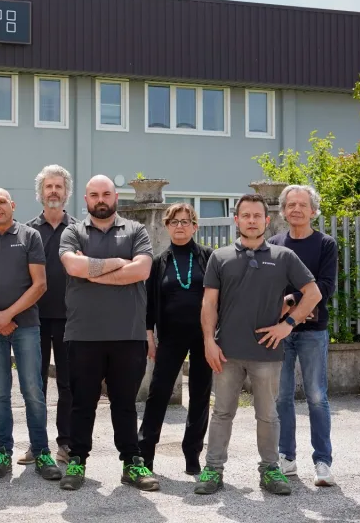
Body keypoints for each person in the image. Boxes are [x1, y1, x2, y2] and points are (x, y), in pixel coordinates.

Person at [195, 193, 322, 496]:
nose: (251, 221)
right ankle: (213, 469)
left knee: (268, 415)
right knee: (222, 413)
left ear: (267, 220)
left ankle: (269, 470)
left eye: (257, 216)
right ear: (236, 219)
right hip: (226, 352)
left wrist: (287, 325)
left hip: (267, 354)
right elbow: (208, 303)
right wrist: (208, 343)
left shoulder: (283, 257)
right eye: (245, 216)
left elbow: (313, 293)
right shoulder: (220, 257)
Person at [58, 175, 159, 492]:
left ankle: (132, 462)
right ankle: (77, 461)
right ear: (85, 199)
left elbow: (141, 270)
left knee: (125, 403)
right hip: (82, 333)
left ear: (116, 196)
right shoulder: (73, 231)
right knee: (81, 402)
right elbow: (73, 268)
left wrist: (93, 273)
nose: (100, 199)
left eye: (106, 194)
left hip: (127, 334)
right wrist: (117, 264)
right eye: (93, 195)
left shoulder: (136, 230)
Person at [0, 188, 63, 483]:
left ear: (12, 205)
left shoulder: (29, 236)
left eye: (1, 202)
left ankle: (42, 451)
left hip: (26, 326)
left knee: (33, 391)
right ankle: (2, 452)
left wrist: (7, 315)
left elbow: (40, 284)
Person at [137, 203, 213, 475]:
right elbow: (147, 303)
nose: (180, 226)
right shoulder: (159, 262)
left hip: (204, 336)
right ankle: (144, 455)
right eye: (174, 221)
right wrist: (149, 334)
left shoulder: (209, 257)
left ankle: (192, 454)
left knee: (200, 395)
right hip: (169, 336)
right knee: (158, 394)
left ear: (195, 226)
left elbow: (220, 297)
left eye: (185, 221)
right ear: (166, 226)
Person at [270, 185, 338, 487]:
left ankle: (322, 462)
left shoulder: (325, 244)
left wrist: (288, 300)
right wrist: (299, 300)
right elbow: (269, 288)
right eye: (291, 204)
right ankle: (287, 457)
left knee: (316, 396)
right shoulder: (273, 243)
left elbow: (324, 288)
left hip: (313, 332)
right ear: (283, 210)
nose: (296, 209)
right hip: (279, 333)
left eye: (302, 204)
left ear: (313, 210)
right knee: (281, 396)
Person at [24, 164, 77, 465]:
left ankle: (66, 443)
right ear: (40, 193)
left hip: (72, 320)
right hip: (35, 319)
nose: (54, 191)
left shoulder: (79, 230)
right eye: (49, 186)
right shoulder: (28, 231)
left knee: (69, 384)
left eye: (58, 186)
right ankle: (36, 444)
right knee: (36, 383)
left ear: (66, 192)